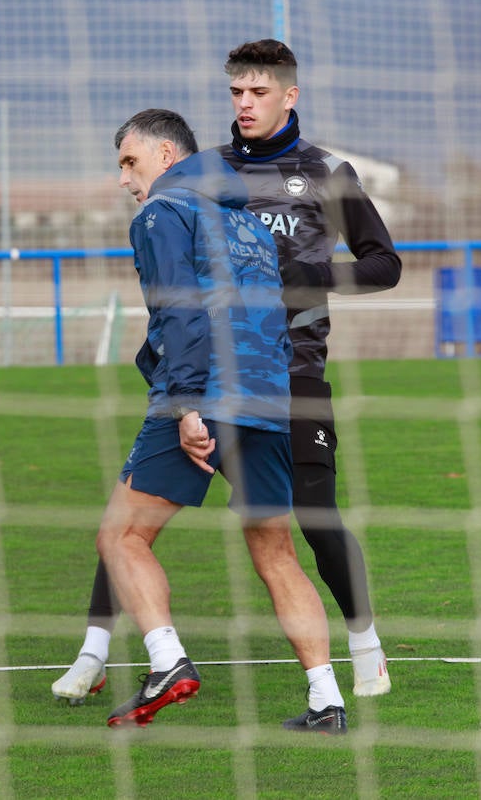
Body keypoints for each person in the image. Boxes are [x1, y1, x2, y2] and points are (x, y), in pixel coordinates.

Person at [54, 40, 401, 704]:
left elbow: (385, 264)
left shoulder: (326, 171)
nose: (244, 104)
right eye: (235, 92)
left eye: (258, 92)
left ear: (288, 95)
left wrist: (303, 275)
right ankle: (94, 651)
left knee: (308, 519)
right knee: (138, 508)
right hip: (219, 371)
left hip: (290, 373)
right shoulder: (206, 173)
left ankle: (365, 647)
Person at [94, 108, 346, 734]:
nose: (125, 179)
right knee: (276, 551)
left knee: (121, 537)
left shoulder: (161, 213)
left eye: (131, 161)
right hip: (268, 399)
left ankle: (167, 662)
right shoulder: (247, 222)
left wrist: (184, 407)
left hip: (204, 394)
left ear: (167, 156)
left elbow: (178, 313)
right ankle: (327, 700)